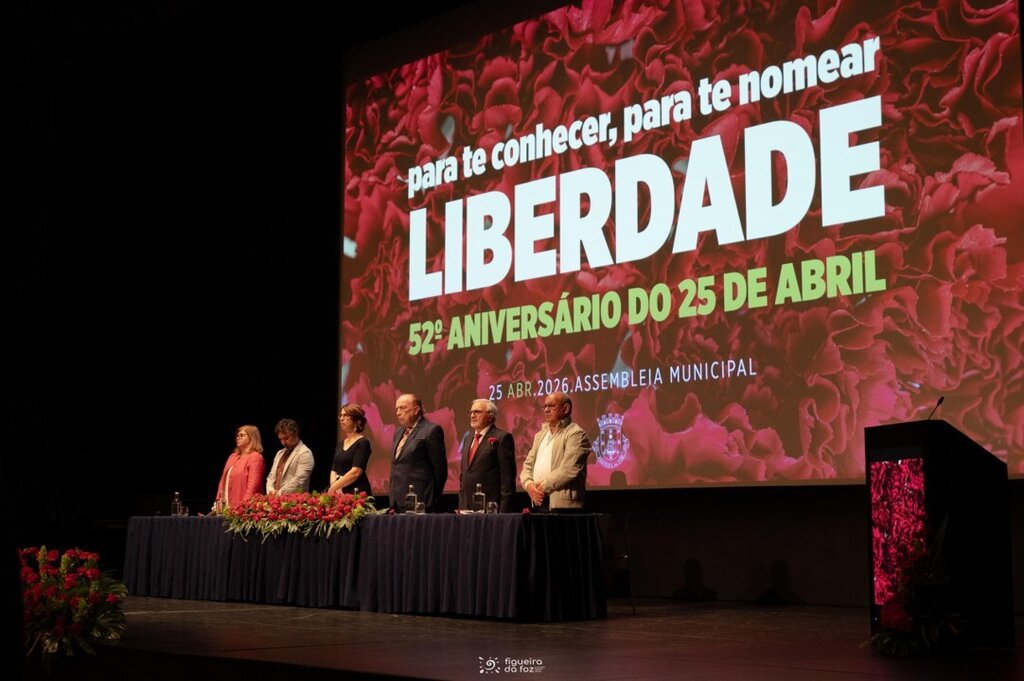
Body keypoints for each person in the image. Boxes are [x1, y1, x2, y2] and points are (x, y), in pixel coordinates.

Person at [520, 391, 590, 511]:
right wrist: (529, 486)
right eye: (545, 406)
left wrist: (542, 487)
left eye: (551, 406)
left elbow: (569, 469)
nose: (547, 410)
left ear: (566, 408)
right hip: (538, 501)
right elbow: (527, 466)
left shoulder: (576, 433)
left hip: (563, 506)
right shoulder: (540, 435)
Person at [390, 393, 447, 511]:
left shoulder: (431, 430)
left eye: (403, 408)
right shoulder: (398, 432)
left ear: (416, 410)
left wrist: (431, 498)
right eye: (397, 409)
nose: (398, 412)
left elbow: (440, 469)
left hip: (420, 500)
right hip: (398, 500)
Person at [458, 398, 516, 512]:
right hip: (466, 508)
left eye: (477, 412)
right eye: (471, 412)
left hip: (490, 508)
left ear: (490, 416)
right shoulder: (468, 438)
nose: (473, 415)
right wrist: (461, 504)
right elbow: (464, 474)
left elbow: (507, 479)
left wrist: (503, 513)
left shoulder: (502, 438)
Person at [214, 425, 266, 511]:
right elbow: (222, 482)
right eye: (237, 436)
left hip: (244, 510)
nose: (237, 438)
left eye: (241, 435)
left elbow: (253, 487)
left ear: (252, 437)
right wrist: (218, 503)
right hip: (226, 508)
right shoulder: (232, 456)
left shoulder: (255, 457)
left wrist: (242, 507)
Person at [329, 404, 372, 495]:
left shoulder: (363, 442)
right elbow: (334, 470)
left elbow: (355, 472)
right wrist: (334, 487)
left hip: (356, 493)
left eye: (346, 415)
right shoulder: (340, 444)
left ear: (356, 420)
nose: (341, 418)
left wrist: (334, 487)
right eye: (341, 415)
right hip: (339, 492)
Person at [266, 418, 314, 495]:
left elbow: (299, 480)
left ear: (295, 434)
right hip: (275, 499)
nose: (283, 443)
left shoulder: (305, 453)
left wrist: (279, 494)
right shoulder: (279, 453)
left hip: (294, 501)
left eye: (286, 438)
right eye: (280, 439)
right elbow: (271, 477)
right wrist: (270, 491)